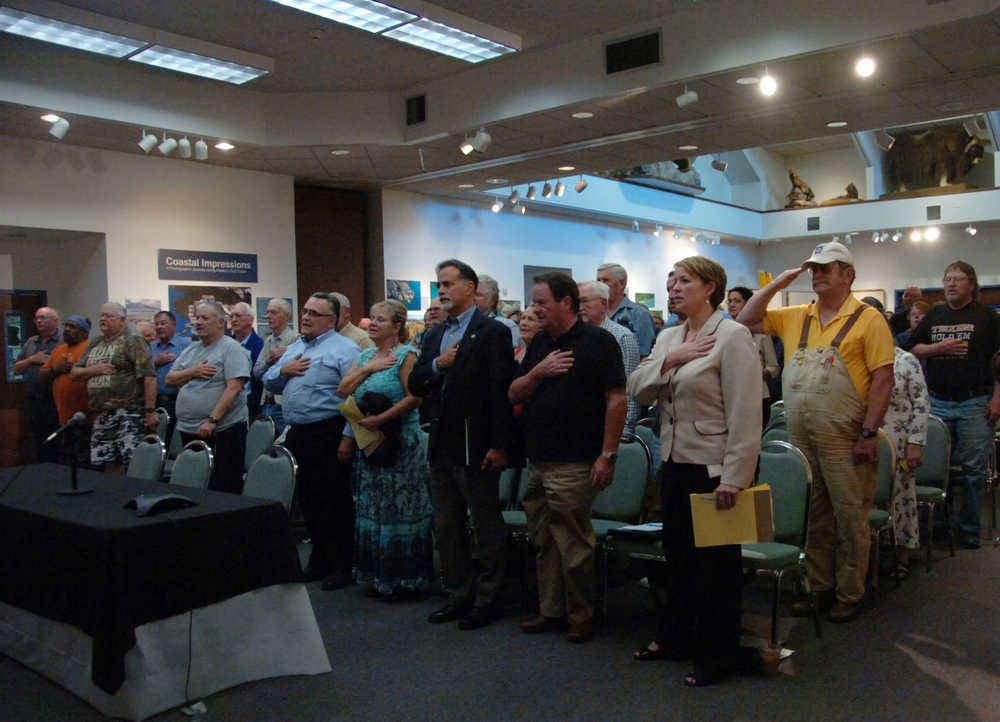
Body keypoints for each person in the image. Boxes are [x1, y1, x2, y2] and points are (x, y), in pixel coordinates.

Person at [736, 241, 894, 623]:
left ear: (848, 274)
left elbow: (883, 380)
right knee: (815, 516)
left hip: (845, 438)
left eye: (826, 268)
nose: (817, 274)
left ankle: (849, 592)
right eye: (813, 268)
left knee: (850, 517)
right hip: (802, 438)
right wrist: (777, 284)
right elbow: (745, 319)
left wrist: (868, 434)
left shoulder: (868, 319)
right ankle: (819, 586)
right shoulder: (796, 315)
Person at [628, 257, 761, 686]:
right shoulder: (670, 336)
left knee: (717, 568)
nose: (673, 288)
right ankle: (675, 638)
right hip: (674, 460)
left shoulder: (733, 336)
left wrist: (736, 478)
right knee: (679, 558)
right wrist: (671, 359)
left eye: (684, 281)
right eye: (671, 281)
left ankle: (718, 654)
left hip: (714, 468)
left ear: (711, 287)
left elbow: (746, 414)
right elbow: (638, 387)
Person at [510, 272, 626, 644]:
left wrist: (608, 455)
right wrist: (539, 371)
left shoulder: (598, 341)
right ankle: (551, 611)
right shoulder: (541, 342)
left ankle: (581, 616)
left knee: (574, 545)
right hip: (539, 460)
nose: (535, 309)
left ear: (566, 302)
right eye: (533, 302)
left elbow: (617, 399)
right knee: (542, 540)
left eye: (542, 302)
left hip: (576, 460)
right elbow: (514, 392)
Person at [409, 259, 517, 631]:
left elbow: (500, 394)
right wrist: (438, 364)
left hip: (476, 443)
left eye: (448, 284)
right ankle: (457, 594)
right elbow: (416, 383)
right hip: (441, 442)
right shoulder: (436, 334)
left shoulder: (492, 332)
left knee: (485, 525)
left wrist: (500, 445)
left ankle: (488, 599)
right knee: (447, 526)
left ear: (470, 287)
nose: (441, 291)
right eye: (438, 284)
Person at [263, 292, 362, 590]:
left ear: (331, 320)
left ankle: (343, 565)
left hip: (328, 431)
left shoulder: (345, 349)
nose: (305, 317)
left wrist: (347, 438)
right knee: (308, 501)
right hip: (298, 433)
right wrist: (284, 369)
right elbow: (267, 379)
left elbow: (354, 395)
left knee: (335, 501)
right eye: (304, 311)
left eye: (314, 313)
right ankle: (320, 560)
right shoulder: (296, 346)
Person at [337, 299, 433, 600]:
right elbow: (342, 390)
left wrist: (383, 418)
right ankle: (379, 573)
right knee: (374, 506)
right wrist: (368, 368)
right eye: (372, 319)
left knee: (400, 509)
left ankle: (407, 577)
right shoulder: (366, 355)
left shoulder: (407, 355)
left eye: (382, 319)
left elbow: (415, 397)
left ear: (397, 326)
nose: (374, 323)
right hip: (371, 444)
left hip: (401, 442)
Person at [904, 261, 1000, 549]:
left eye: (958, 279)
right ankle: (940, 525)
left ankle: (969, 527)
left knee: (973, 471)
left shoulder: (987, 317)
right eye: (947, 279)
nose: (951, 284)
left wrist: (997, 398)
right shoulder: (935, 316)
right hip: (938, 403)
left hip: (974, 402)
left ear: (971, 284)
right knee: (935, 468)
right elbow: (912, 348)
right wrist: (939, 348)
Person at [166, 300, 250, 494]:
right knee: (194, 483)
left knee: (222, 486)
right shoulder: (192, 349)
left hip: (221, 430)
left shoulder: (231, 348)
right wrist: (193, 371)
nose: (198, 322)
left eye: (205, 318)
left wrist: (212, 420)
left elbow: (234, 388)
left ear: (221, 322)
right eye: (197, 317)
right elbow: (170, 379)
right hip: (189, 429)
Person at [71, 302, 158, 472]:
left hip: (128, 412)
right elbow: (74, 374)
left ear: (122, 320)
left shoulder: (133, 340)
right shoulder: (95, 342)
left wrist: (150, 411)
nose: (103, 319)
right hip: (100, 413)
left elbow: (149, 377)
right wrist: (93, 370)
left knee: (131, 463)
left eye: (108, 316)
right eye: (101, 316)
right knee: (105, 464)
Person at [578, 280, 641, 430]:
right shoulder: (574, 336)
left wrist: (625, 430)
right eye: (576, 301)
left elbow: (629, 389)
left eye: (585, 301)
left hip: (610, 426)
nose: (579, 308)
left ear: (603, 303)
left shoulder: (622, 337)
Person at [39, 315, 92, 463]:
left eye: (72, 327)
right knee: (65, 461)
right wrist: (56, 369)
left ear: (84, 332)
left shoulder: (91, 348)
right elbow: (42, 376)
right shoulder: (58, 350)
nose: (67, 330)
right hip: (63, 419)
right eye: (66, 326)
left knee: (84, 462)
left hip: (86, 418)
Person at [727, 287, 781, 426]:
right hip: (730, 396)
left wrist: (761, 372)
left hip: (757, 396)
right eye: (729, 301)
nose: (732, 304)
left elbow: (774, 367)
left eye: (737, 301)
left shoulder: (761, 334)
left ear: (748, 304)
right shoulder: (723, 332)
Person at [13, 305, 61, 461]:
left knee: (56, 440)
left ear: (55, 321)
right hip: (33, 399)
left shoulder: (63, 341)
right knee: (36, 438)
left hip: (55, 400)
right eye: (37, 318)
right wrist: (32, 359)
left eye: (43, 317)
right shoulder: (31, 342)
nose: (38, 321)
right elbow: (16, 369)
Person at [252, 298, 298, 434]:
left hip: (283, 405)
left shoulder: (296, 340)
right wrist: (268, 361)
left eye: (274, 312)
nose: (269, 317)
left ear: (287, 316)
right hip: (266, 404)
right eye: (267, 313)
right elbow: (256, 373)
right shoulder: (268, 341)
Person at [597, 262, 656, 358]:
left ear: (621, 283)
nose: (600, 285)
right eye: (598, 280)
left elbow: (644, 356)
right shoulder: (596, 313)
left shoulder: (639, 314)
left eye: (605, 280)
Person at [150, 310, 190, 442]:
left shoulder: (186, 346)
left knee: (177, 443)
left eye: (163, 323)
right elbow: (142, 370)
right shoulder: (151, 347)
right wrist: (156, 362)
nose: (159, 327)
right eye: (156, 324)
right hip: (156, 402)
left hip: (178, 401)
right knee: (156, 441)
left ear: (173, 324)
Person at [228, 301, 263, 422]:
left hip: (250, 406)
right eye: (231, 316)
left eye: (238, 316)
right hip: (226, 404)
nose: (234, 319)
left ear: (250, 320)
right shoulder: (226, 345)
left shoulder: (260, 346)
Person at [475, 274, 523, 350]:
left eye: (478, 295)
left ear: (492, 300)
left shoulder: (507, 325)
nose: (473, 298)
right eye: (472, 294)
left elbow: (512, 357)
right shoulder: (463, 323)